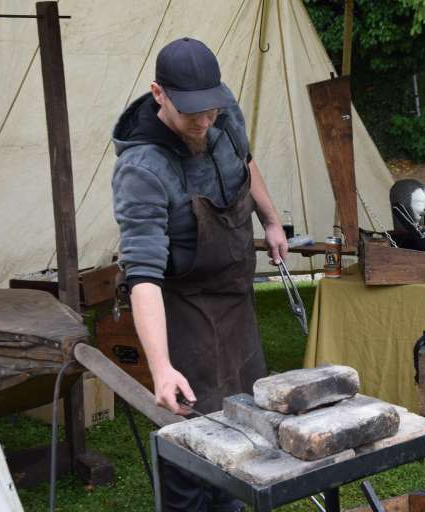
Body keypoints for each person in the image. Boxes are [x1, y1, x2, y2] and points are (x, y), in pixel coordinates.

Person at [111, 37, 288, 511]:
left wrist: (270, 220)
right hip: (183, 305)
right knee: (191, 441)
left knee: (245, 420)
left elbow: (245, 164)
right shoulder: (141, 169)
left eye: (211, 110)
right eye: (193, 114)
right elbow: (142, 275)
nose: (205, 123)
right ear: (159, 94)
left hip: (234, 297)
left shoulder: (219, 108)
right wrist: (161, 367)